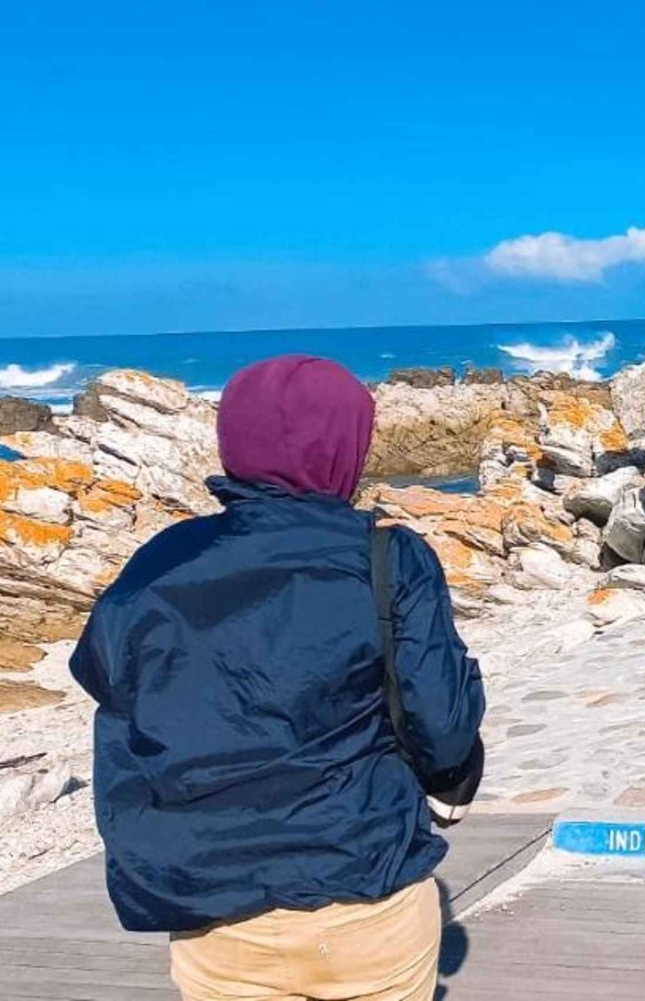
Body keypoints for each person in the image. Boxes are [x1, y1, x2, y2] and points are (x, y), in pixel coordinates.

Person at [69, 355, 485, 1001]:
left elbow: (101, 672)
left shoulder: (164, 556)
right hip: (362, 877)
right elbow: (445, 728)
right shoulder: (387, 555)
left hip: (210, 894)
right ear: (349, 443)